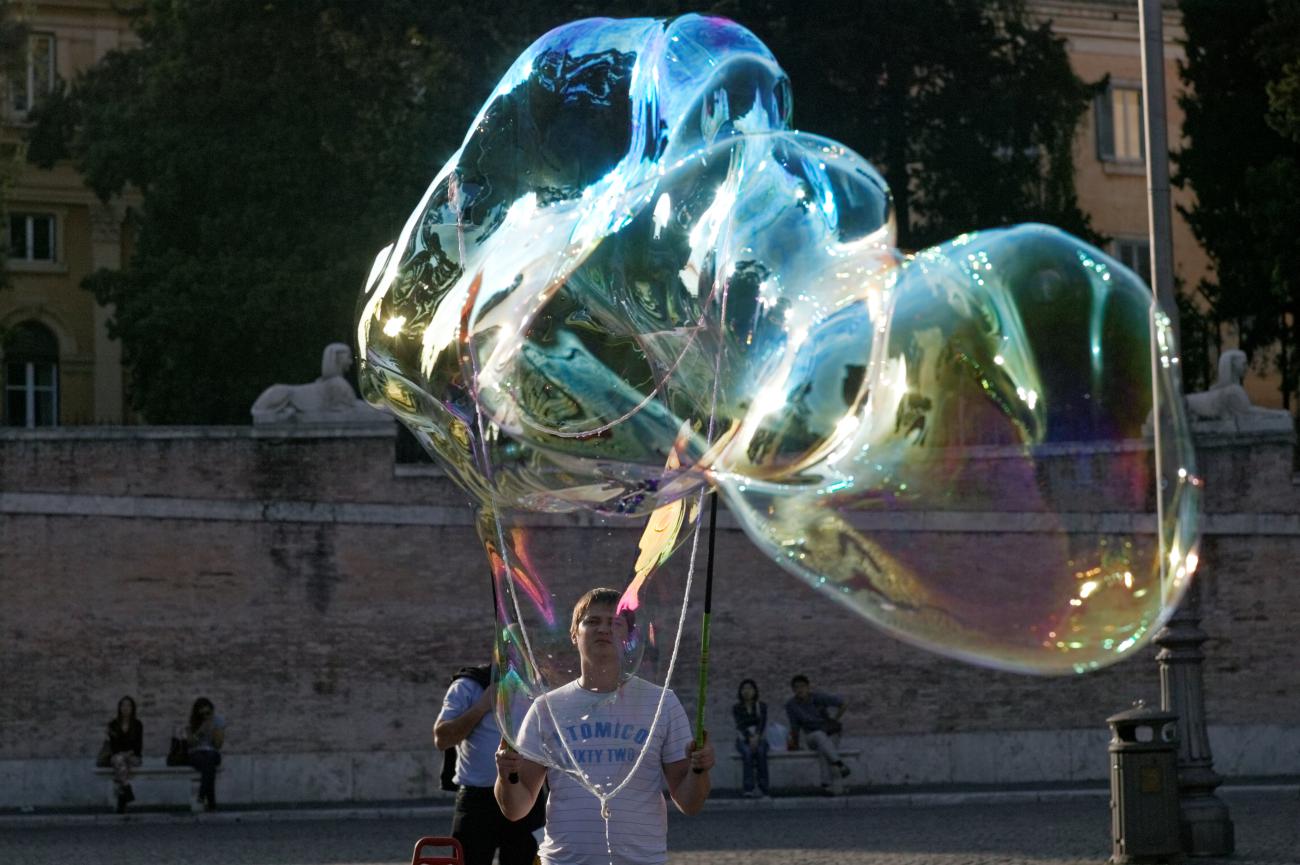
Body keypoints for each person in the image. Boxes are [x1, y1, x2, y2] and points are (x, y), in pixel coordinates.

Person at [494, 587, 716, 865]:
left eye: (615, 623)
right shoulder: (546, 709)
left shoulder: (663, 703)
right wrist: (506, 775)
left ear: (628, 637)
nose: (604, 629)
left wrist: (699, 769)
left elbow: (690, 802)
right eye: (592, 621)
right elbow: (515, 808)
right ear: (574, 635)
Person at [433, 663, 544, 865]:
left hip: (526, 794)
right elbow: (442, 739)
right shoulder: (469, 685)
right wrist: (483, 705)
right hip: (477, 799)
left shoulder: (538, 685)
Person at [784, 674, 850, 796]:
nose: (800, 690)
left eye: (802, 686)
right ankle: (840, 765)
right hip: (811, 736)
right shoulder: (791, 705)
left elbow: (843, 703)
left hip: (830, 733)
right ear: (793, 690)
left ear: (808, 687)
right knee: (820, 736)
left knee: (824, 750)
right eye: (796, 687)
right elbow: (795, 726)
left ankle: (828, 786)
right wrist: (795, 744)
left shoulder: (818, 697)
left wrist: (834, 720)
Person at [104, 695, 143, 813]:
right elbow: (113, 747)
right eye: (123, 705)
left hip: (133, 757)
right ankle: (126, 788)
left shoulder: (138, 724)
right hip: (117, 757)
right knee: (119, 761)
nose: (125, 708)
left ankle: (123, 797)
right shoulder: (113, 725)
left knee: (119, 764)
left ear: (132, 708)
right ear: (119, 708)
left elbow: (138, 746)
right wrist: (122, 754)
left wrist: (127, 754)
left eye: (128, 705)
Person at [732, 678, 770, 798]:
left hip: (760, 738)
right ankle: (748, 788)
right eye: (744, 689)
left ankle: (764, 788)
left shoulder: (761, 706)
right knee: (747, 753)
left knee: (761, 751)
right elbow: (740, 725)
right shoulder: (737, 708)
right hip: (743, 739)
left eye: (749, 688)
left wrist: (757, 737)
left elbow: (762, 723)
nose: (746, 691)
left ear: (755, 691)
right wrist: (750, 738)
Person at [186, 697, 225, 811]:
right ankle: (211, 803)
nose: (205, 716)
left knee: (210, 759)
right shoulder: (193, 722)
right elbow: (190, 744)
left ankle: (202, 795)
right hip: (196, 753)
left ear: (212, 711)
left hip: (212, 753)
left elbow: (218, 745)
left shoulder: (218, 720)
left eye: (208, 713)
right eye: (202, 714)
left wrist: (214, 729)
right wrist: (200, 730)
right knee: (209, 766)